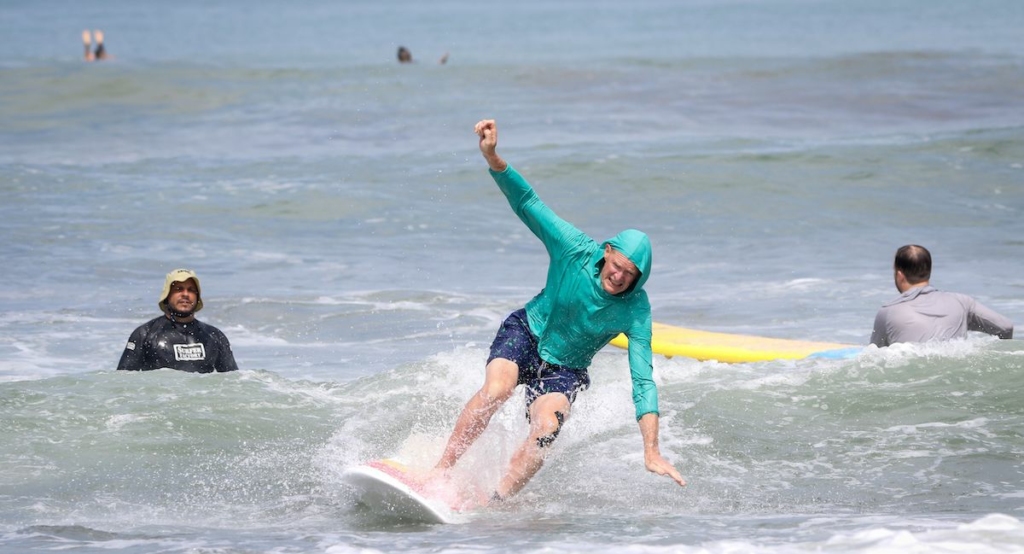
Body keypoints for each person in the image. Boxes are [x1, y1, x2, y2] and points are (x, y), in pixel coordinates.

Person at [434, 119, 686, 504]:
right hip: (527, 332)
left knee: (547, 428)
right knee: (496, 390)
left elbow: (643, 381)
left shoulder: (635, 311)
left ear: (638, 278)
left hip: (566, 368)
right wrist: (493, 157)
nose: (618, 276)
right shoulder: (574, 248)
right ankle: (440, 472)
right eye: (617, 265)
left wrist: (651, 449)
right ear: (607, 251)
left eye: (629, 275)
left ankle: (495, 502)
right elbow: (529, 204)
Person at [870, 244, 1013, 347]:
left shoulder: (888, 312)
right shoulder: (962, 302)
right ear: (929, 271)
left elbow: (874, 356)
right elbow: (1005, 327)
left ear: (900, 275)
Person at [117, 269, 239, 373]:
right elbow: (122, 382)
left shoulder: (214, 336)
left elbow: (234, 383)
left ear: (197, 297)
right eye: (179, 289)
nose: (185, 294)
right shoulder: (145, 334)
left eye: (191, 290)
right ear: (167, 296)